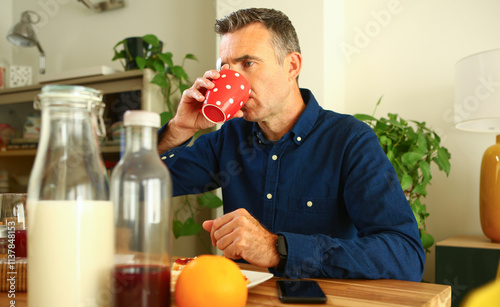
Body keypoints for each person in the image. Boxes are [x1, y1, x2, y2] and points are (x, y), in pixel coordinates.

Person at [158, 8, 425, 281]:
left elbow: (406, 257)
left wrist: (278, 249)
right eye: (225, 67)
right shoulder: (231, 136)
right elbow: (144, 184)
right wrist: (178, 129)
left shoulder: (349, 141)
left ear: (292, 66)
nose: (232, 78)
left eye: (247, 63)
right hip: (242, 305)